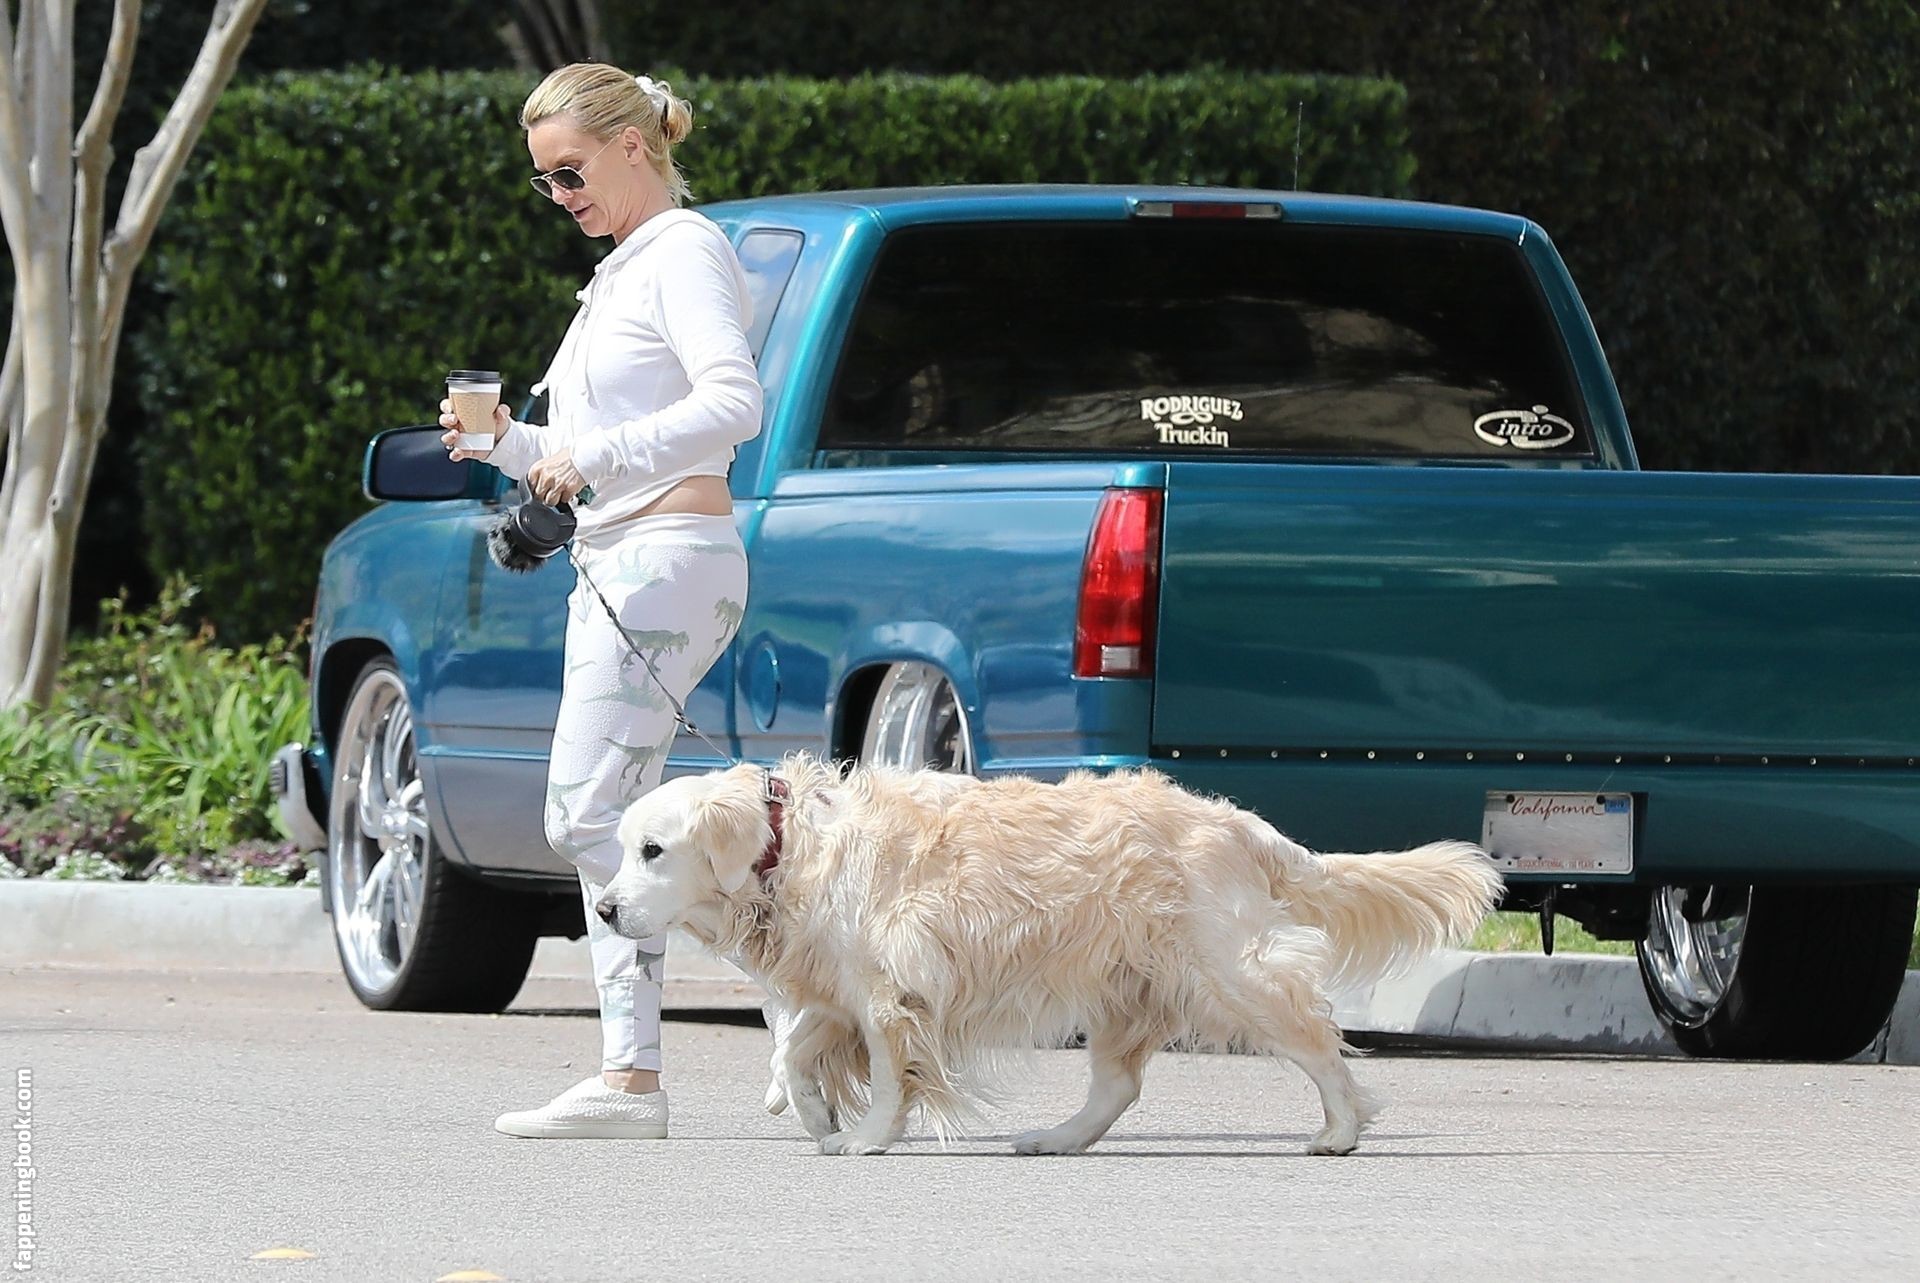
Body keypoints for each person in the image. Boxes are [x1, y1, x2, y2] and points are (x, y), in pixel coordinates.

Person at [439, 63, 761, 1140]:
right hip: (623, 561)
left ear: (633, 146)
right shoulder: (620, 272)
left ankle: (647, 1071)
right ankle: (678, 1050)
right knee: (608, 815)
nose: (560, 195)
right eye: (546, 180)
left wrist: (597, 455)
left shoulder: (683, 250)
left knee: (588, 814)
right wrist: (504, 443)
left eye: (570, 172)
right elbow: (577, 454)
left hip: (668, 561)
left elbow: (735, 402)